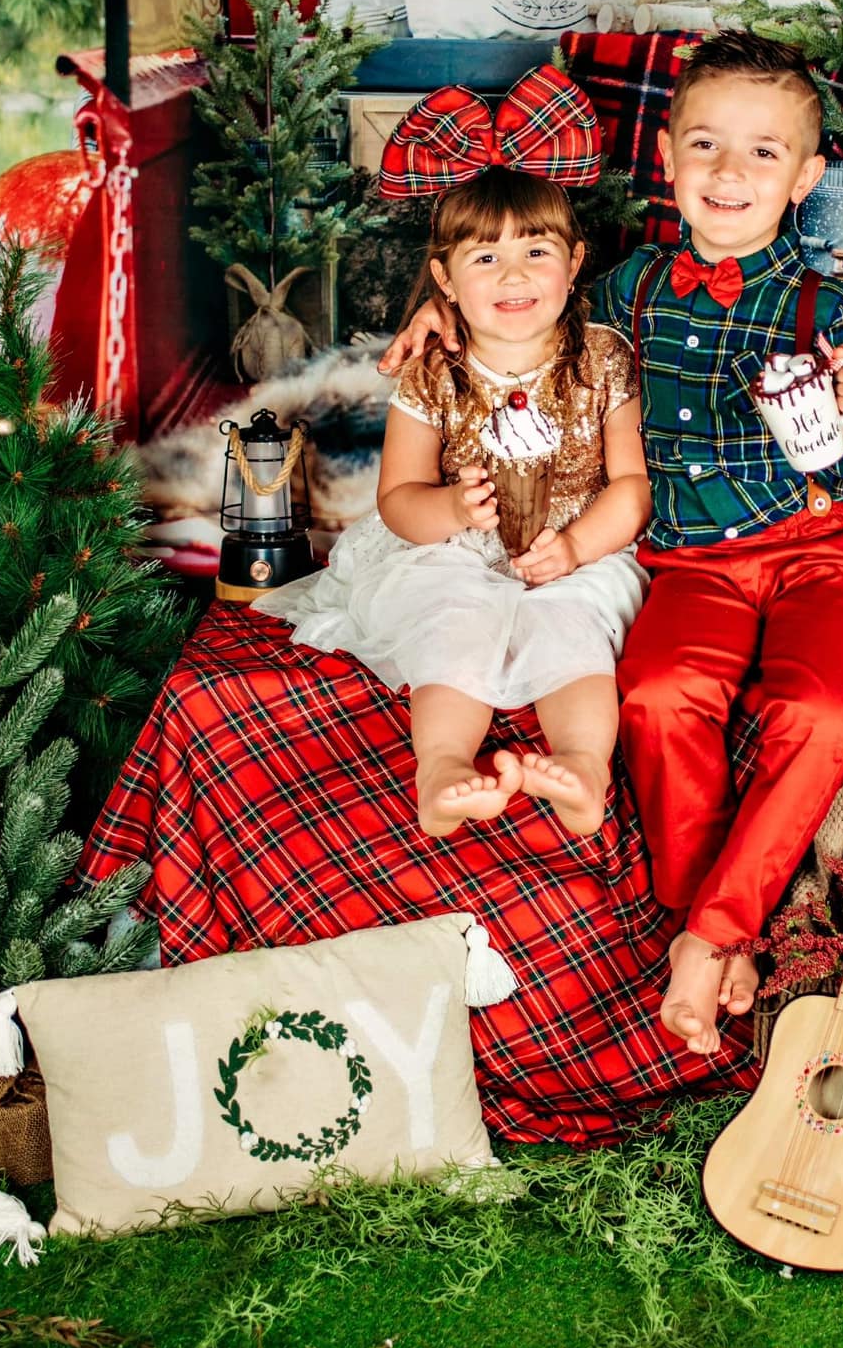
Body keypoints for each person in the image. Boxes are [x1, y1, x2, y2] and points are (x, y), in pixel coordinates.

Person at [382, 33, 843, 1053]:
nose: (728, 172)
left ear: (803, 178)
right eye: (705, 144)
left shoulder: (823, 304)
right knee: (658, 695)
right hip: (690, 562)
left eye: (762, 153)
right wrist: (430, 320)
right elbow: (514, 314)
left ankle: (701, 936)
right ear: (666, 158)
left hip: (818, 548)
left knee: (826, 703)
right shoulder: (621, 293)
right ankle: (719, 930)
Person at [260, 71, 651, 842]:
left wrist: (574, 547)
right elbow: (399, 496)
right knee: (453, 617)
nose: (513, 277)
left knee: (573, 627)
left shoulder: (604, 358)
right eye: (483, 261)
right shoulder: (434, 369)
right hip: (452, 547)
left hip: (573, 548)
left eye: (536, 252)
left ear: (574, 264)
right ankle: (441, 769)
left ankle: (582, 771)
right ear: (444, 278)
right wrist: (448, 511)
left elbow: (631, 487)